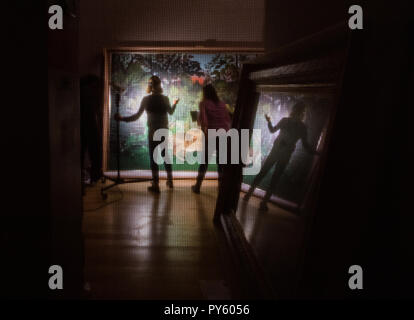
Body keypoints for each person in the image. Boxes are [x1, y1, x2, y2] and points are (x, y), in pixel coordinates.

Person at [243, 101, 319, 211]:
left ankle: (248, 195)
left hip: (275, 151)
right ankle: (264, 203)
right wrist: (316, 152)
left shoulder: (285, 121)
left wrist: (269, 121)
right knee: (275, 178)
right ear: (303, 113)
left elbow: (272, 130)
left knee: (263, 172)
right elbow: (306, 146)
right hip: (286, 155)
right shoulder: (302, 127)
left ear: (293, 110)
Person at [115, 75, 179, 194]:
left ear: (150, 86)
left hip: (153, 131)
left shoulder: (146, 99)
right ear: (160, 85)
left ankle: (156, 184)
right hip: (163, 131)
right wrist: (175, 103)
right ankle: (170, 181)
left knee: (153, 159)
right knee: (166, 156)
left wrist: (122, 118)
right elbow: (171, 112)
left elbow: (136, 116)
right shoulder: (165, 99)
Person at [191, 84, 232, 194]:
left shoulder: (203, 103)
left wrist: (200, 123)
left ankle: (197, 186)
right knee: (221, 163)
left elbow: (203, 120)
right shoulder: (222, 104)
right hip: (224, 134)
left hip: (212, 134)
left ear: (204, 93)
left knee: (204, 162)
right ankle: (221, 188)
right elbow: (228, 119)